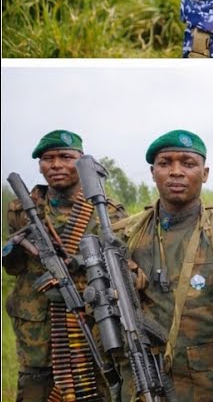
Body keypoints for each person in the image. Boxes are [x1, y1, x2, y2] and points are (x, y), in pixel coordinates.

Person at [112, 130, 213, 401]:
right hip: (144, 383)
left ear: (205, 173)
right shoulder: (126, 237)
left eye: (188, 163)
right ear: (152, 172)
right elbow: (98, 303)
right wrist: (118, 283)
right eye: (165, 163)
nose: (176, 172)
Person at [3, 130, 126, 402]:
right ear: (39, 165)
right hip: (38, 336)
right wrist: (13, 248)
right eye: (48, 158)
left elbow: (119, 267)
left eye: (66, 157)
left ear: (81, 162)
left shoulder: (106, 209)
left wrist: (78, 262)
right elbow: (13, 269)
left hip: (91, 328)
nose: (56, 165)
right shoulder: (21, 210)